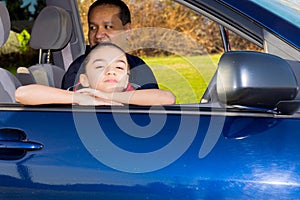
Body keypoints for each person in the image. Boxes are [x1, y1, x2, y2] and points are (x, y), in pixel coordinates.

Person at [15, 43, 175, 106]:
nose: (110, 71)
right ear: (84, 79)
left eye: (119, 68)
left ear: (127, 79)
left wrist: (107, 97)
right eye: (100, 66)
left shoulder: (131, 94)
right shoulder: (79, 93)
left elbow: (168, 98)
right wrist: (82, 98)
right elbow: (23, 93)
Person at [61, 0, 158, 90]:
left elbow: (155, 102)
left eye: (108, 27)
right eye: (93, 27)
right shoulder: (79, 68)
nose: (98, 35)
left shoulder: (138, 67)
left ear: (127, 31)